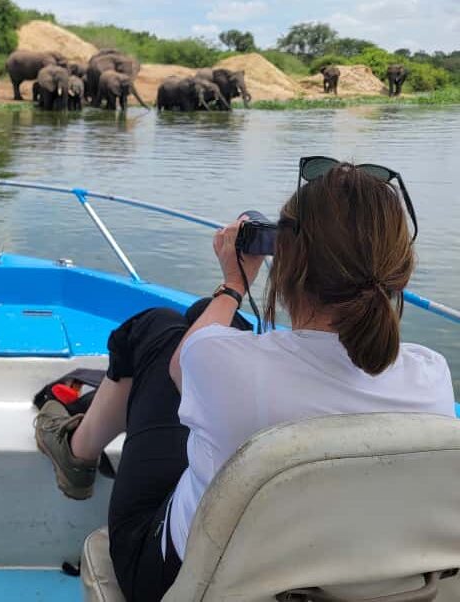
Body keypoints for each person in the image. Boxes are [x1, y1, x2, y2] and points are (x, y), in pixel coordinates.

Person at [35, 158, 455, 601]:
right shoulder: (430, 376)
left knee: (157, 330)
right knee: (203, 326)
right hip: (366, 587)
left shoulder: (222, 366)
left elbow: (181, 363)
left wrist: (233, 284)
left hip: (180, 581)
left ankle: (76, 450)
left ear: (288, 262)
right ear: (399, 269)